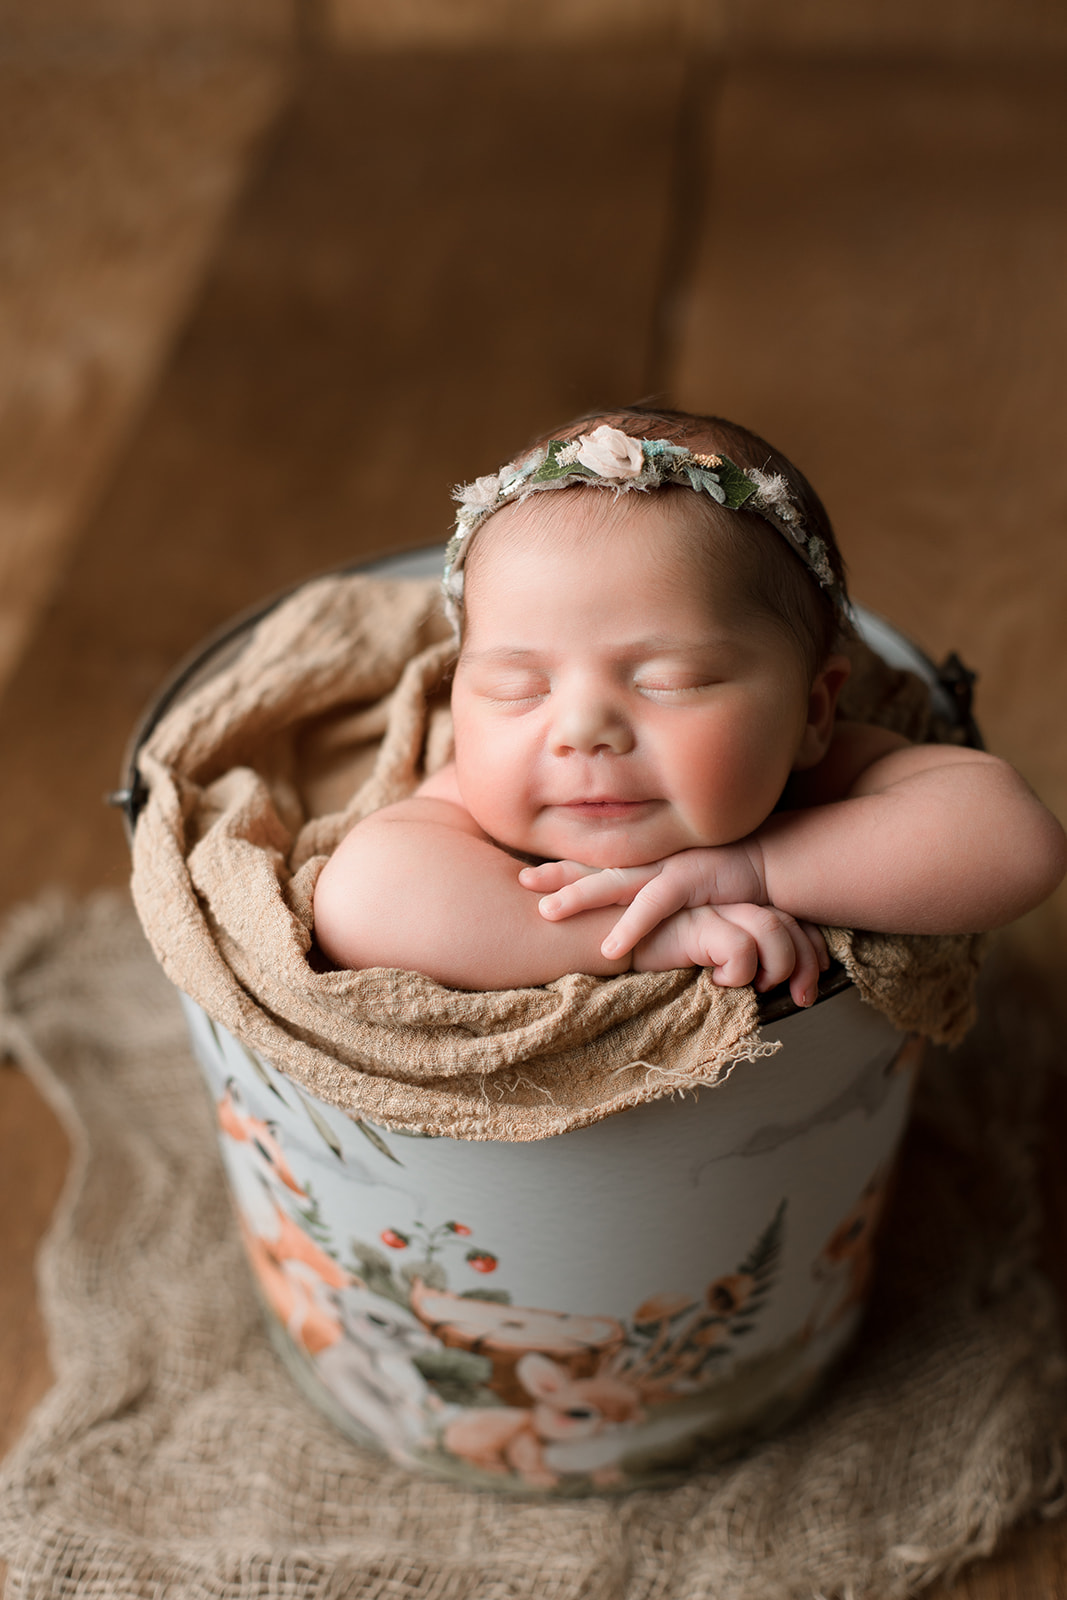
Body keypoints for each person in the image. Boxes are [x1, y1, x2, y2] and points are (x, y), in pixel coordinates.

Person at [313, 408, 1066, 1003]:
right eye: (520, 688)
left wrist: (757, 869)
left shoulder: (811, 783)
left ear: (810, 713)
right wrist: (640, 937)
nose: (580, 730)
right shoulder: (483, 809)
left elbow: (1014, 844)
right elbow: (364, 901)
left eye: (667, 682)